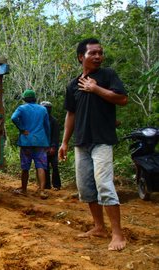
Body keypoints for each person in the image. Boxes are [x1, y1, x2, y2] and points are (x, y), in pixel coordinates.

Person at [58, 38, 128, 251]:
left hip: (102, 140)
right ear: (81, 57)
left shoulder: (107, 75)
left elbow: (122, 99)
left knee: (104, 185)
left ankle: (118, 234)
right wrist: (64, 143)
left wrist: (95, 89)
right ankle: (99, 227)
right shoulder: (73, 85)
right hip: (82, 142)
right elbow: (71, 114)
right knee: (86, 188)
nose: (98, 56)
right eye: (93, 53)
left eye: (100, 53)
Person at [11, 89, 50, 199]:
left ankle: (24, 189)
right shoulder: (43, 109)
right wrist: (48, 141)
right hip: (41, 142)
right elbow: (47, 126)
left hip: (26, 141)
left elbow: (13, 118)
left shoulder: (22, 108)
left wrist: (22, 129)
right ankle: (42, 191)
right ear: (35, 98)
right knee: (41, 166)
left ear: (24, 99)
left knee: (25, 167)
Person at [40, 101, 61, 190]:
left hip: (52, 148)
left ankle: (56, 185)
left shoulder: (54, 121)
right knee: (45, 167)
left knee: (55, 166)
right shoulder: (40, 121)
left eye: (48, 108)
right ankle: (46, 185)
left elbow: (56, 135)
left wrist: (53, 147)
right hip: (43, 147)